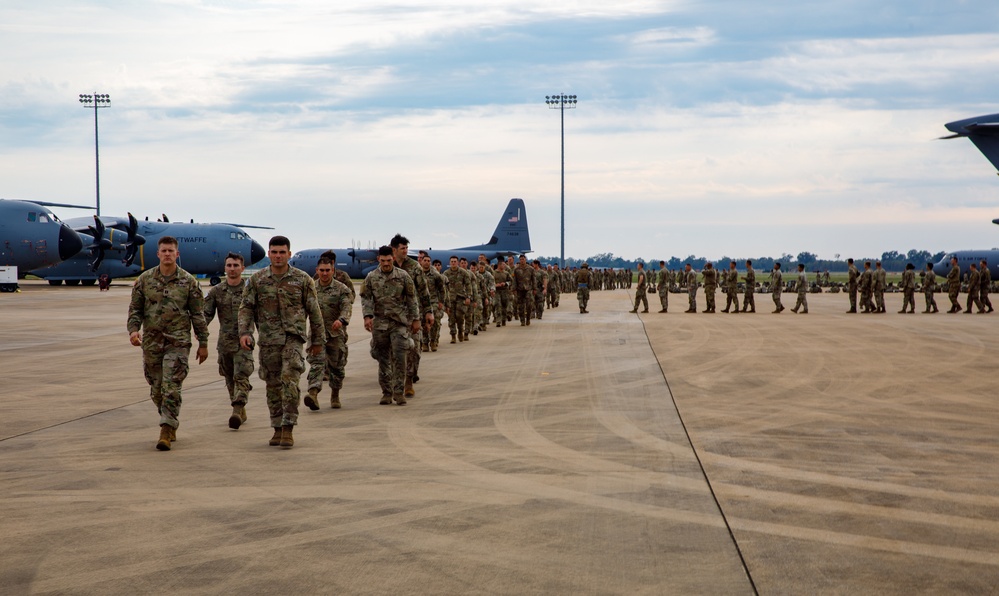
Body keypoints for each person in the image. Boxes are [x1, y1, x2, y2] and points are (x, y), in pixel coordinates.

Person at [238, 235, 324, 449]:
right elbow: (246, 308)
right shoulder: (257, 280)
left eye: (282, 252)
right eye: (274, 252)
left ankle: (288, 427)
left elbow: (314, 311)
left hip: (293, 340)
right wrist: (245, 333)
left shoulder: (303, 280)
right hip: (268, 341)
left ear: (289, 254)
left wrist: (318, 340)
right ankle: (276, 427)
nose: (278, 256)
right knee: (273, 385)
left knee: (290, 381)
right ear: (269, 254)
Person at [127, 236, 209, 451]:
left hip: (178, 342)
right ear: (158, 254)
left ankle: (166, 427)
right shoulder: (144, 280)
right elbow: (135, 309)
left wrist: (203, 342)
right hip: (152, 342)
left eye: (171, 251)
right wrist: (133, 330)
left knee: (171, 386)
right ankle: (169, 418)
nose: (167, 254)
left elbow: (197, 314)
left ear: (177, 254)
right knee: (156, 389)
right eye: (163, 251)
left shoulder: (188, 281)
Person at [360, 245, 419, 406]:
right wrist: (367, 317)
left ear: (393, 258)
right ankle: (386, 392)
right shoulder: (371, 277)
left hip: (399, 323)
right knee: (383, 359)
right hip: (379, 325)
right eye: (383, 260)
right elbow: (366, 298)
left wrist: (415, 319)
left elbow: (411, 298)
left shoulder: (403, 276)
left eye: (388, 260)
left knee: (400, 358)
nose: (386, 263)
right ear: (379, 259)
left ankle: (399, 392)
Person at [203, 252, 254, 429]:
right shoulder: (216, 292)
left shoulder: (250, 290)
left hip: (244, 342)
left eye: (235, 266)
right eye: (229, 266)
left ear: (242, 268)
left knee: (241, 375)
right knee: (229, 378)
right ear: (225, 268)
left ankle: (237, 409)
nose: (232, 269)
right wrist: (200, 331)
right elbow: (206, 314)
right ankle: (240, 408)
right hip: (224, 343)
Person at [305, 257, 352, 410]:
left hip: (335, 334)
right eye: (322, 270)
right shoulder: (310, 289)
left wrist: (342, 320)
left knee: (337, 367)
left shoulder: (341, 289)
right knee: (316, 364)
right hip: (317, 335)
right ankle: (313, 393)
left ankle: (335, 394)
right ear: (317, 271)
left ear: (333, 271)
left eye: (328, 270)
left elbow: (346, 307)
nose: (324, 273)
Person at [391, 234, 433, 397]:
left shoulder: (415, 267)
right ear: (394, 250)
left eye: (407, 248)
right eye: (403, 248)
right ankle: (399, 382)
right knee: (394, 351)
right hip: (393, 317)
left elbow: (424, 291)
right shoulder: (388, 265)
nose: (406, 251)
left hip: (413, 315)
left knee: (414, 350)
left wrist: (428, 312)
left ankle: (409, 379)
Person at [420, 252, 448, 351]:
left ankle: (433, 341)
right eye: (425, 261)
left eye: (428, 261)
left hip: (434, 302)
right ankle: (424, 342)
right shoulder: (418, 273)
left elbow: (442, 289)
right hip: (422, 303)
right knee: (423, 322)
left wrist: (441, 301)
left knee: (435, 322)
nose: (427, 263)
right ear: (421, 262)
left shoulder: (436, 275)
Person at [443, 255, 472, 341]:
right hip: (450, 299)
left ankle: (460, 331)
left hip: (460, 298)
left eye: (455, 261)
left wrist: (468, 297)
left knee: (460, 317)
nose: (453, 263)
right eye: (452, 262)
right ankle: (453, 335)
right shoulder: (446, 273)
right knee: (451, 318)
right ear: (449, 263)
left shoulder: (463, 273)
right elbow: (443, 287)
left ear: (458, 262)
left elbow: (468, 285)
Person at [513, 254, 534, 325]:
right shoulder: (516, 269)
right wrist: (514, 289)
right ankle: (522, 320)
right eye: (521, 259)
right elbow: (514, 280)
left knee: (529, 304)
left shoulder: (531, 269)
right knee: (521, 306)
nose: (522, 261)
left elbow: (534, 280)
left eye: (523, 259)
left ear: (525, 260)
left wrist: (535, 289)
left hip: (528, 289)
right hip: (520, 289)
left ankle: (528, 318)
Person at [493, 260, 512, 326]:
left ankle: (504, 319)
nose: (504, 266)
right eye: (503, 265)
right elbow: (491, 282)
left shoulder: (506, 273)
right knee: (498, 305)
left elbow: (510, 281)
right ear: (499, 265)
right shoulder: (494, 273)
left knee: (504, 305)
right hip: (497, 291)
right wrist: (495, 285)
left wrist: (506, 283)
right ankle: (498, 320)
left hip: (504, 291)